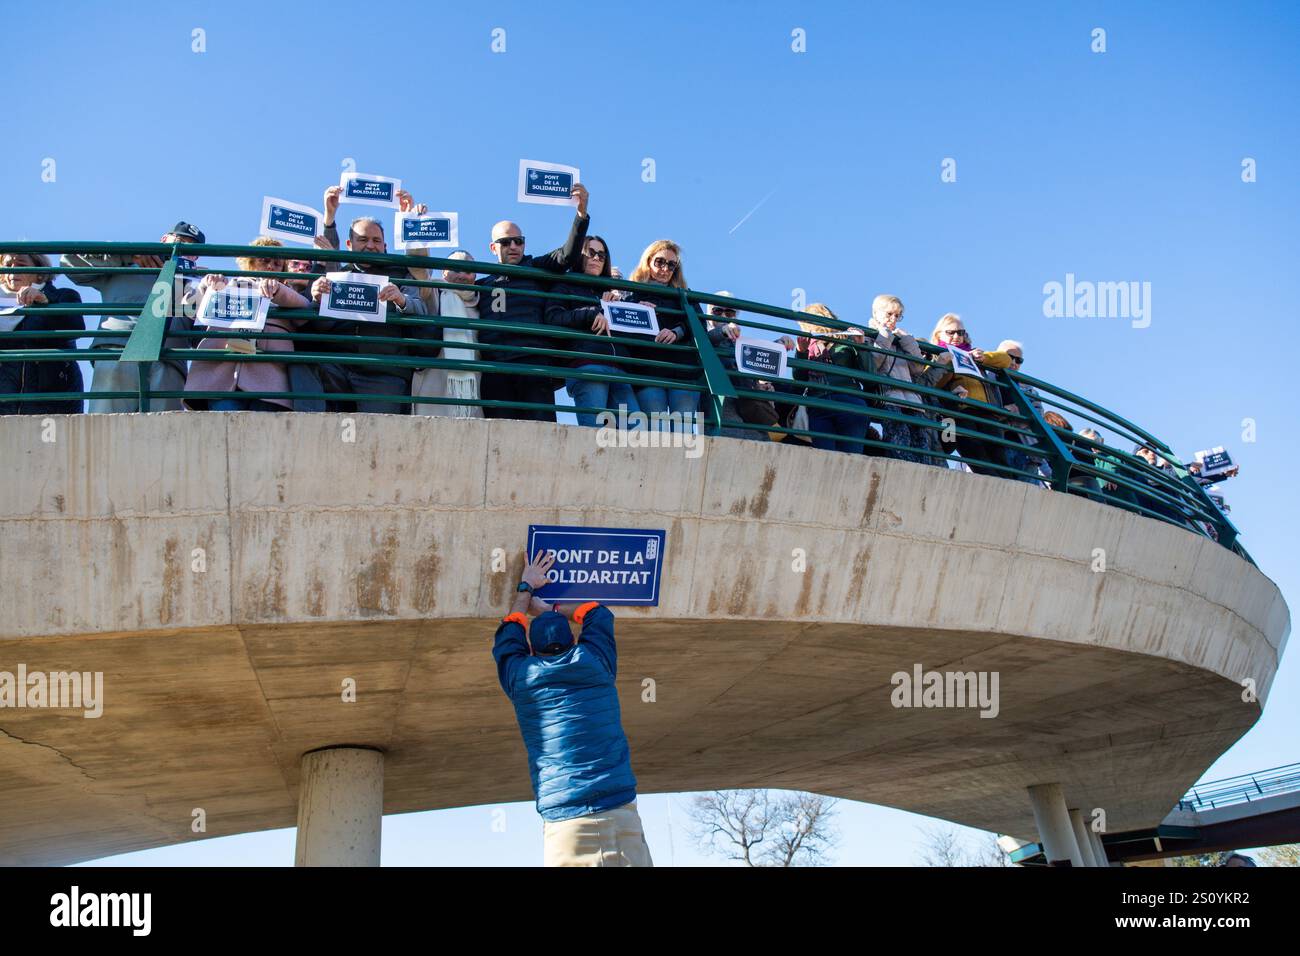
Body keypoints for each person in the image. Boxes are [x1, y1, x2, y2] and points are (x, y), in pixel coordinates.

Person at [493, 550, 652, 867]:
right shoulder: (596, 661)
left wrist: (526, 587)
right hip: (620, 811)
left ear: (531, 649)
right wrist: (549, 608)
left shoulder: (521, 677)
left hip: (565, 822)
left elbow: (509, 628)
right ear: (573, 641)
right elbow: (597, 614)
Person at [61, 221, 206, 412]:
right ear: (164, 239)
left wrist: (210, 292)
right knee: (106, 430)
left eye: (192, 248)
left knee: (164, 436)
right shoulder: (126, 263)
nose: (183, 249)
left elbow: (202, 337)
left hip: (168, 361)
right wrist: (129, 254)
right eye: (179, 240)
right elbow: (70, 262)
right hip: (117, 352)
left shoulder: (195, 283)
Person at [476, 183, 592, 422]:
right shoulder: (481, 283)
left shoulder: (536, 267)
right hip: (494, 366)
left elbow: (566, 256)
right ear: (492, 247)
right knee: (500, 432)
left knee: (541, 430)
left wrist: (581, 215)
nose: (514, 247)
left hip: (533, 362)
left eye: (519, 241)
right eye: (506, 242)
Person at [308, 214, 432, 414]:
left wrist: (400, 299)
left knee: (380, 437)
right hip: (338, 367)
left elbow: (421, 308)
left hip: (383, 372)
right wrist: (317, 300)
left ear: (385, 245)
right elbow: (320, 326)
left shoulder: (400, 273)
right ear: (350, 243)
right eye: (363, 240)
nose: (371, 246)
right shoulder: (338, 275)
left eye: (376, 241)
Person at [183, 238, 313, 411]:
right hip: (220, 378)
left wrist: (278, 291)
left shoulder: (286, 294)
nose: (270, 267)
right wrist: (205, 287)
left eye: (277, 263)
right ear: (250, 262)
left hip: (269, 383)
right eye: (265, 260)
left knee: (265, 435)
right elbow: (187, 312)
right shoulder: (226, 285)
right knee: (225, 433)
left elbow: (306, 310)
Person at [543, 235, 642, 427]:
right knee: (594, 435)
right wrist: (590, 312)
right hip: (588, 365)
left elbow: (629, 330)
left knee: (637, 432)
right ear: (580, 255)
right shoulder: (565, 284)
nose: (596, 258)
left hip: (619, 369)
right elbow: (553, 317)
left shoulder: (611, 292)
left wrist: (630, 307)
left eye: (602, 255)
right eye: (591, 253)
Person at [922, 313, 1014, 476]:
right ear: (939, 335)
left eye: (960, 332)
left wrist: (983, 357)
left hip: (987, 411)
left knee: (998, 455)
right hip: (960, 412)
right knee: (975, 453)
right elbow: (931, 382)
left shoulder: (973, 353)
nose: (956, 336)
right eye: (950, 332)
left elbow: (1005, 359)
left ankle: (1009, 489)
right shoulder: (937, 356)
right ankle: (994, 487)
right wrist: (949, 363)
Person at [625, 240, 699, 430]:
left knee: (683, 434)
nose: (665, 268)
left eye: (671, 264)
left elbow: (699, 324)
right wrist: (636, 309)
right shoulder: (632, 294)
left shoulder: (684, 295)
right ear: (648, 261)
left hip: (682, 374)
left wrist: (677, 331)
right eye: (660, 262)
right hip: (648, 372)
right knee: (655, 433)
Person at [0, 253, 85, 415]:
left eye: (21, 265)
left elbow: (75, 327)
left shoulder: (62, 295)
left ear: (40, 272)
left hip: (50, 403)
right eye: (7, 265)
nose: (13, 270)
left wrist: (45, 302)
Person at [705, 292, 791, 441]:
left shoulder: (740, 342)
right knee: (730, 442)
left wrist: (780, 343)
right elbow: (708, 340)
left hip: (748, 402)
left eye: (730, 312)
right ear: (709, 314)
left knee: (761, 444)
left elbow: (757, 355)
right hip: (722, 403)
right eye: (718, 311)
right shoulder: (703, 333)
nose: (724, 316)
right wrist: (723, 332)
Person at [866, 295, 940, 465]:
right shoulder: (871, 336)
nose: (893, 319)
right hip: (890, 397)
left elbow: (917, 369)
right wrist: (884, 336)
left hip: (913, 400)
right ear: (876, 313)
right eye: (889, 314)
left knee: (921, 444)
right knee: (899, 442)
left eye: (897, 315)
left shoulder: (900, 340)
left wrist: (908, 341)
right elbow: (873, 363)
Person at [794, 303, 876, 454]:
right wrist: (801, 353)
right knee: (825, 460)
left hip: (850, 403)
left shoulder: (847, 340)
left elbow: (869, 375)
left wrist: (861, 346)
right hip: (819, 405)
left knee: (852, 458)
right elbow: (799, 382)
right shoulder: (808, 346)